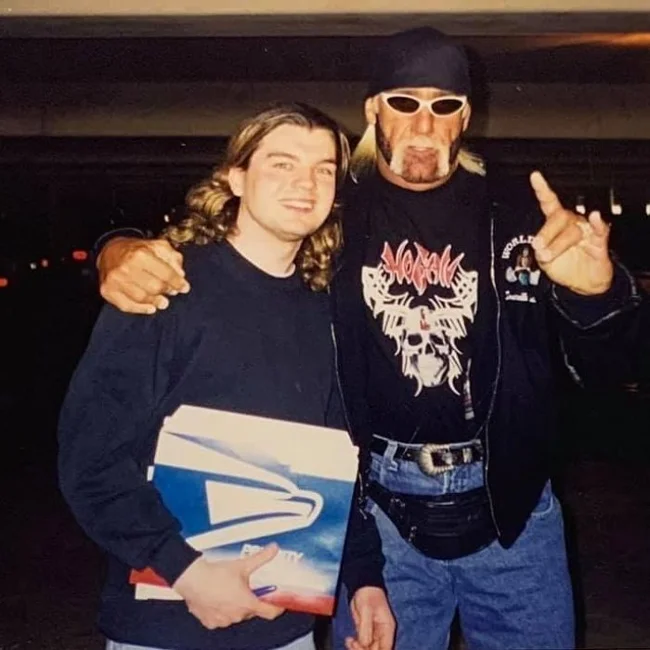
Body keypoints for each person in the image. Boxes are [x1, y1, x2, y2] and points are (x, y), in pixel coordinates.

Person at [92, 28, 644, 650]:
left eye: (445, 105)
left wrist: (597, 295)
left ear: (466, 117)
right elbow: (225, 240)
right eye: (404, 102)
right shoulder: (328, 213)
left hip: (512, 508)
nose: (424, 124)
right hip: (377, 509)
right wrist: (119, 249)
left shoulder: (518, 216)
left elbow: (605, 368)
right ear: (373, 110)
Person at [58, 102, 395, 650]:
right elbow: (90, 461)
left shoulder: (327, 307)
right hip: (166, 625)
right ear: (235, 177)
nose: (305, 184)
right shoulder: (165, 285)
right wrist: (185, 571)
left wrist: (364, 577)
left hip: (287, 626)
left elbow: (335, 457)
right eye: (282, 164)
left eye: (323, 169)